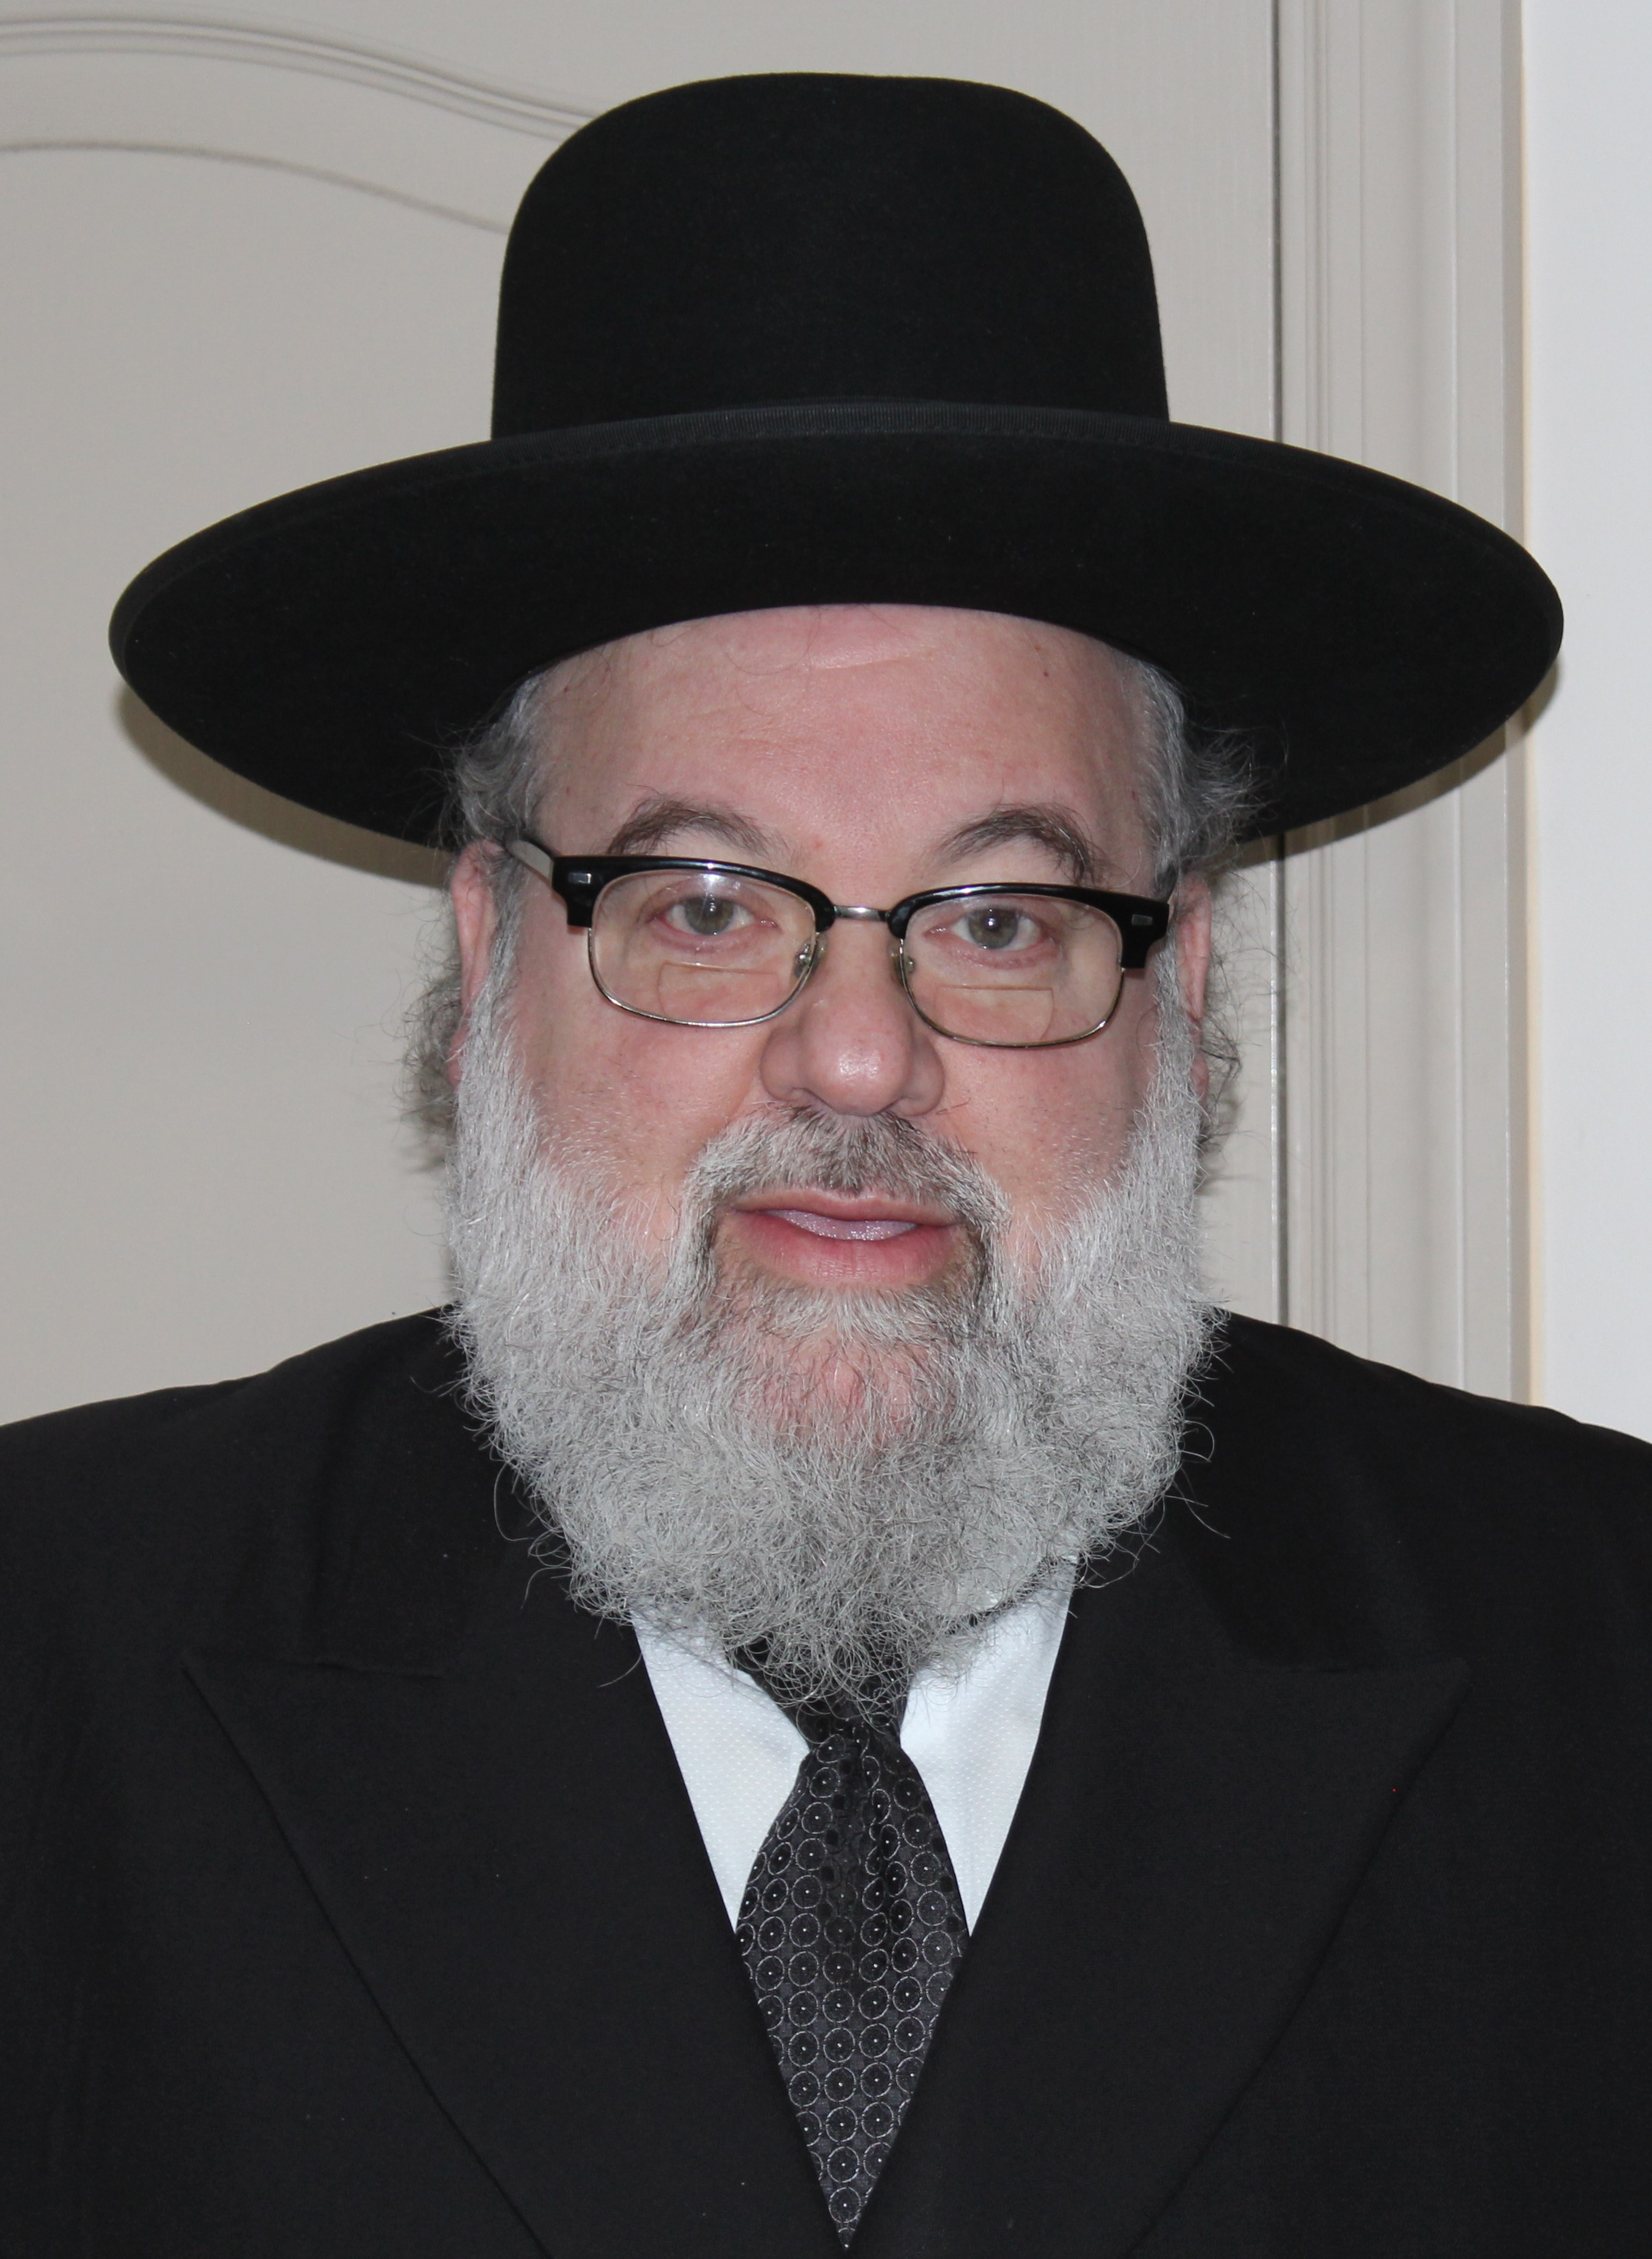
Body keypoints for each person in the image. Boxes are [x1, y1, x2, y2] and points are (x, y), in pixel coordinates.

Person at [3, 70, 1649, 2259]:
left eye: (1001, 919)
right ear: (491, 952)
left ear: (1180, 979)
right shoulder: (47, 1655)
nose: (858, 1055)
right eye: (702, 905)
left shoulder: (1602, 1652)